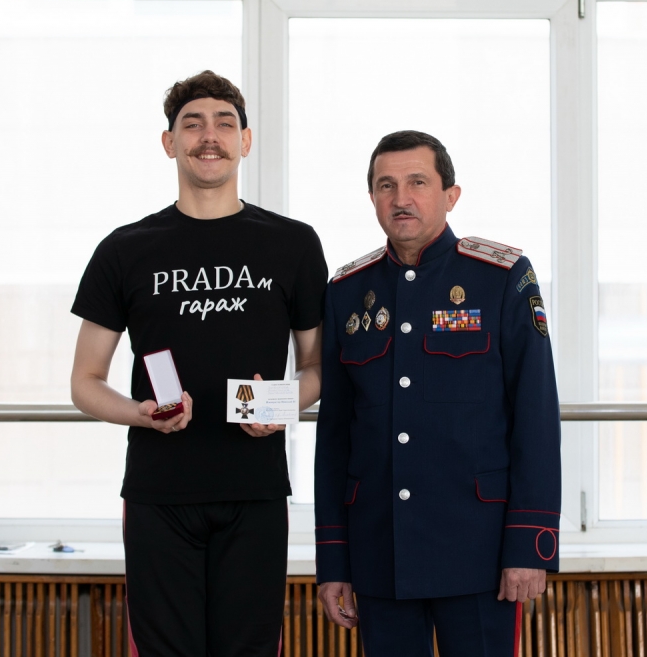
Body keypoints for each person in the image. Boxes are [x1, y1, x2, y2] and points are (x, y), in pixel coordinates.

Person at [70, 70, 327, 657]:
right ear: (170, 143)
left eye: (224, 123)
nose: (209, 136)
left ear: (246, 140)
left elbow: (318, 367)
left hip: (255, 491)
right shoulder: (125, 248)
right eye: (192, 124)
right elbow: (84, 381)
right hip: (159, 493)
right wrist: (139, 413)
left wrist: (279, 405)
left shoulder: (292, 244)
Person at [314, 130, 561, 656]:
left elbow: (536, 415)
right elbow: (335, 435)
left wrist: (529, 542)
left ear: (451, 195)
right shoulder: (347, 292)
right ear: (372, 197)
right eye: (386, 185)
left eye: (417, 183)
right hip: (380, 553)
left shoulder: (502, 277)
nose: (400, 198)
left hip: (479, 551)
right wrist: (334, 559)